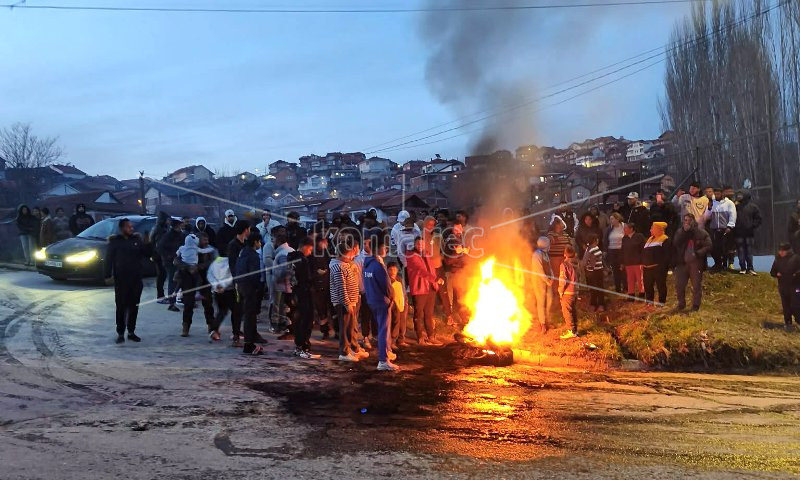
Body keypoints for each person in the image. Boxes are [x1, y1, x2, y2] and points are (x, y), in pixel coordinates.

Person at [104, 218, 152, 343]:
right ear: (121, 228)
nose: (131, 228)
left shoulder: (137, 240)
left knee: (133, 306)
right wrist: (107, 275)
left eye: (131, 226)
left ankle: (131, 331)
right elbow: (108, 259)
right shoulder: (115, 242)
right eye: (128, 226)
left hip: (136, 279)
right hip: (121, 280)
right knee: (121, 307)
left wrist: (148, 242)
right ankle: (120, 333)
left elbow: (147, 253)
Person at [363, 236, 399, 371]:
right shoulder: (378, 266)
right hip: (382, 301)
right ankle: (383, 360)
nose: (386, 249)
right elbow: (386, 285)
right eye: (384, 247)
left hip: (372, 300)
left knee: (382, 329)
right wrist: (391, 297)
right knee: (384, 330)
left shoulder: (367, 265)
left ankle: (386, 353)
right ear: (378, 249)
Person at [175, 233, 217, 337]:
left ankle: (211, 327)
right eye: (204, 240)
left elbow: (213, 261)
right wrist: (188, 267)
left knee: (208, 304)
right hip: (188, 279)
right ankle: (186, 328)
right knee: (188, 304)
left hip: (205, 280)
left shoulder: (210, 250)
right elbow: (176, 260)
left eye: (207, 240)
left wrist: (199, 266)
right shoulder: (188, 248)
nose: (206, 242)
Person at [330, 237, 364, 362]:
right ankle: (343, 352)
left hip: (351, 301)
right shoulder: (338, 267)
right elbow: (341, 287)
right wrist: (347, 303)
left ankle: (348, 350)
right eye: (349, 255)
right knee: (344, 328)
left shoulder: (345, 265)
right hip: (343, 303)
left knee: (349, 326)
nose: (351, 258)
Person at [406, 236, 444, 346]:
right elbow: (421, 271)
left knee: (429, 314)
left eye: (422, 244)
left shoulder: (426, 253)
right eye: (418, 244)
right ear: (414, 244)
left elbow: (431, 269)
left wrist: (434, 283)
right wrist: (436, 279)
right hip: (420, 289)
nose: (420, 246)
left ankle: (431, 336)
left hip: (430, 288)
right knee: (418, 315)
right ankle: (420, 337)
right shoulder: (411, 255)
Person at [673, 214, 712, 312]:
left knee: (696, 286)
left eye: (689, 220)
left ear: (693, 221)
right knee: (679, 285)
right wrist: (684, 233)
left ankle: (695, 305)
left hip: (696, 263)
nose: (686, 222)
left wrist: (698, 253)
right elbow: (675, 242)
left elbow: (708, 245)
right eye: (685, 220)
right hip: (682, 263)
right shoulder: (680, 232)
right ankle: (681, 304)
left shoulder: (701, 233)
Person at [234, 231, 265, 355]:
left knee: (247, 315)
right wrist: (258, 287)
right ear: (255, 242)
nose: (260, 244)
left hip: (241, 286)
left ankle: (249, 342)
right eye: (259, 242)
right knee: (250, 316)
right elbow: (254, 275)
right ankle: (248, 345)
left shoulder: (243, 252)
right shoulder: (253, 255)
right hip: (250, 289)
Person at [291, 237, 320, 359]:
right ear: (305, 246)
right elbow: (306, 278)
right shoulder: (302, 260)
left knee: (298, 321)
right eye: (310, 249)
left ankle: (298, 347)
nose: (310, 252)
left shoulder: (290, 257)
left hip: (294, 294)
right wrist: (316, 275)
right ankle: (303, 347)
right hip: (304, 294)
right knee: (306, 320)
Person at [422, 216, 454, 325]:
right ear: (424, 225)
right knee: (430, 293)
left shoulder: (438, 236)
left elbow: (444, 251)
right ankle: (429, 317)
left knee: (443, 292)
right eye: (428, 224)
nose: (430, 227)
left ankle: (449, 316)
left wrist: (442, 257)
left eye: (432, 224)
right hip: (427, 269)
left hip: (438, 268)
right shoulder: (420, 238)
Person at [226, 220, 250, 346]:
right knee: (237, 308)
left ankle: (238, 331)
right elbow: (232, 264)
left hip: (245, 280)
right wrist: (237, 279)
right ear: (245, 230)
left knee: (242, 308)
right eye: (249, 229)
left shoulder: (245, 243)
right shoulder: (233, 245)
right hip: (237, 281)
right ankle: (235, 334)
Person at [156, 218, 185, 312]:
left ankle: (180, 299)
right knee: (173, 282)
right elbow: (159, 247)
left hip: (178, 261)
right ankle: (171, 303)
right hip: (170, 263)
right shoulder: (168, 235)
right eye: (180, 224)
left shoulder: (180, 234)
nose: (182, 225)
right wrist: (169, 256)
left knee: (180, 281)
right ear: (177, 225)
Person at [443, 222, 469, 322]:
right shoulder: (450, 240)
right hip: (451, 272)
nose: (458, 230)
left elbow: (466, 256)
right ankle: (449, 317)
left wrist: (465, 252)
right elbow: (447, 260)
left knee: (461, 294)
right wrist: (457, 253)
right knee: (449, 295)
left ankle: (462, 315)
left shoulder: (462, 239)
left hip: (460, 272)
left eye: (459, 229)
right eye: (455, 229)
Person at [770, 243, 800, 331]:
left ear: (788, 250)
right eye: (780, 250)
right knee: (786, 307)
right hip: (783, 287)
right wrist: (776, 274)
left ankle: (798, 320)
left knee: (796, 306)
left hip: (796, 286)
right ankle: (788, 324)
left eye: (783, 250)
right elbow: (772, 272)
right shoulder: (777, 260)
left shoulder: (796, 258)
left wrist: (797, 274)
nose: (781, 252)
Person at [271, 230, 295, 336]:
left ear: (278, 241)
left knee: (281, 306)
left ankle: (283, 327)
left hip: (283, 285)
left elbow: (284, 269)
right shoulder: (290, 250)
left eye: (274, 239)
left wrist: (278, 278)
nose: (273, 242)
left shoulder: (282, 253)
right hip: (289, 285)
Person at [642, 221, 671, 306]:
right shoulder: (650, 239)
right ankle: (649, 302)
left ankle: (661, 303)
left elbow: (667, 255)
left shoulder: (664, 239)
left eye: (652, 228)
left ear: (658, 229)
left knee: (660, 286)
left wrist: (663, 267)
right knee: (648, 286)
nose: (650, 230)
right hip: (647, 268)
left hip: (658, 268)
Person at [709, 187, 737, 273]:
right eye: (715, 194)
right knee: (715, 248)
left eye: (718, 194)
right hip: (714, 228)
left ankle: (725, 265)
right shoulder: (713, 202)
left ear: (722, 194)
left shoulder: (729, 203)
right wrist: (709, 209)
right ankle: (718, 264)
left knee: (724, 248)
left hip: (724, 228)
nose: (716, 195)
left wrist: (730, 226)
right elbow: (708, 214)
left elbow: (733, 215)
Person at [206, 254, 233, 342]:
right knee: (223, 311)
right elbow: (231, 276)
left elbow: (209, 274)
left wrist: (215, 285)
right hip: (227, 290)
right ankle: (213, 329)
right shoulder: (230, 261)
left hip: (216, 291)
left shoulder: (215, 262)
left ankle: (214, 330)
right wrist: (223, 286)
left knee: (220, 311)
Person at [734, 191, 762, 276]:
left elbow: (758, 219)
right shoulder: (735, 206)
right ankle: (743, 268)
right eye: (738, 195)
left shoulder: (753, 207)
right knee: (740, 251)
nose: (739, 197)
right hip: (738, 233)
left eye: (741, 195)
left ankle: (750, 268)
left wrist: (752, 226)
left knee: (749, 251)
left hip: (749, 233)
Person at [311, 235, 334, 339]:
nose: (326, 244)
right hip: (318, 286)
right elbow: (310, 269)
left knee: (333, 310)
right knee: (321, 311)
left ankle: (336, 330)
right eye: (324, 242)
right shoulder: (313, 254)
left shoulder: (327, 253)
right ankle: (325, 331)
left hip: (329, 285)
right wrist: (317, 272)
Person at [531, 236, 553, 334]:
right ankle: (542, 324)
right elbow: (539, 270)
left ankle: (547, 320)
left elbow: (549, 267)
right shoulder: (537, 255)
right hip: (539, 281)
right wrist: (546, 280)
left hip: (548, 280)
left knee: (550, 300)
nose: (549, 246)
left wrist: (552, 277)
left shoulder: (545, 254)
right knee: (541, 301)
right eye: (548, 244)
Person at [547, 216, 572, 300]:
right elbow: (548, 242)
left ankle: (563, 291)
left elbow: (569, 244)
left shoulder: (566, 234)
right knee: (556, 275)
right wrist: (550, 239)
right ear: (555, 225)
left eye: (561, 223)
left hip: (564, 258)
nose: (561, 225)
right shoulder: (551, 234)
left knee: (564, 275)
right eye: (559, 223)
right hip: (554, 259)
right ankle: (555, 293)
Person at [558, 245, 579, 339]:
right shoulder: (577, 264)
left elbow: (563, 280)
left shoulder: (564, 265)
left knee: (567, 311)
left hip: (567, 292)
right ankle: (575, 330)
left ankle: (570, 330)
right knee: (573, 311)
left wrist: (560, 291)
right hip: (575, 291)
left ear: (564, 254)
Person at [387, 261, 408, 349]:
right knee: (394, 322)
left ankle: (401, 339)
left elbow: (402, 290)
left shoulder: (399, 279)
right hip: (392, 303)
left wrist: (405, 301)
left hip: (401, 303)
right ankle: (392, 341)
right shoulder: (387, 280)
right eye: (390, 270)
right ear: (387, 270)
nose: (392, 272)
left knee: (401, 321)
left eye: (394, 269)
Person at [621, 223, 645, 301]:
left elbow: (643, 249)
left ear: (631, 229)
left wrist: (643, 260)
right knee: (630, 279)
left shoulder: (639, 236)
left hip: (638, 262)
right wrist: (622, 262)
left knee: (639, 279)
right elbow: (622, 250)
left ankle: (642, 294)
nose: (624, 230)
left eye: (625, 228)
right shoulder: (624, 238)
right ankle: (631, 294)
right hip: (628, 262)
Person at [150, 212, 170, 303]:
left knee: (162, 275)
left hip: (159, 255)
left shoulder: (162, 228)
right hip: (158, 256)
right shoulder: (159, 229)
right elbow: (158, 245)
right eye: (167, 220)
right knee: (161, 275)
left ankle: (161, 296)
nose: (169, 221)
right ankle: (160, 297)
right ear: (163, 220)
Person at [582, 233, 606, 312]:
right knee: (598, 288)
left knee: (594, 289)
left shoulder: (590, 249)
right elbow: (589, 261)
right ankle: (599, 305)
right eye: (597, 239)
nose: (598, 240)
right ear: (594, 240)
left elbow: (585, 262)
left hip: (593, 271)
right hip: (595, 271)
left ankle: (595, 305)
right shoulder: (593, 249)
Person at [605, 212, 626, 293]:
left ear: (617, 219)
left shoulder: (623, 226)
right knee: (615, 270)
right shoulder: (609, 228)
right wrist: (606, 250)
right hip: (612, 251)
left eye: (612, 219)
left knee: (623, 269)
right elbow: (606, 239)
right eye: (610, 219)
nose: (611, 221)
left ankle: (625, 286)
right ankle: (618, 288)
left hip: (621, 250)